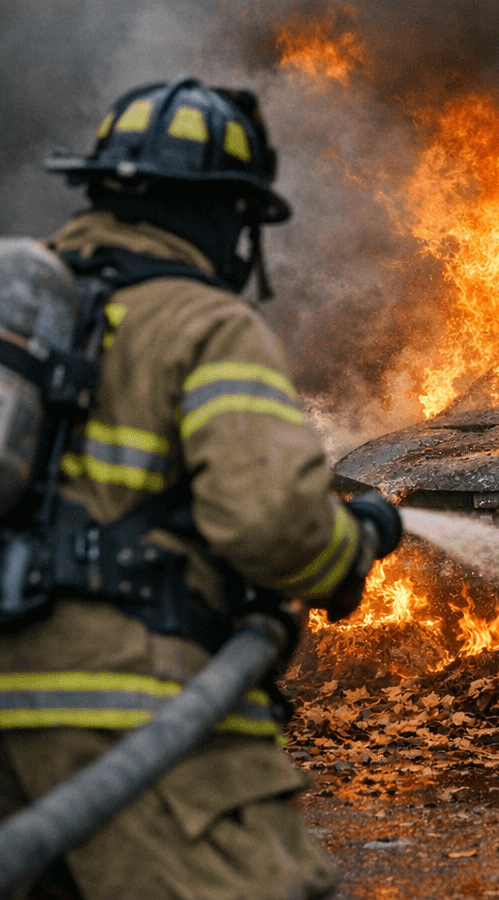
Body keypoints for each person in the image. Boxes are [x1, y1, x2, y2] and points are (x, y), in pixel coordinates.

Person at [0, 79, 401, 900]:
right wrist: (354, 541)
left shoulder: (23, 314)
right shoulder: (205, 325)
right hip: (132, 712)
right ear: (226, 213)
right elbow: (273, 526)